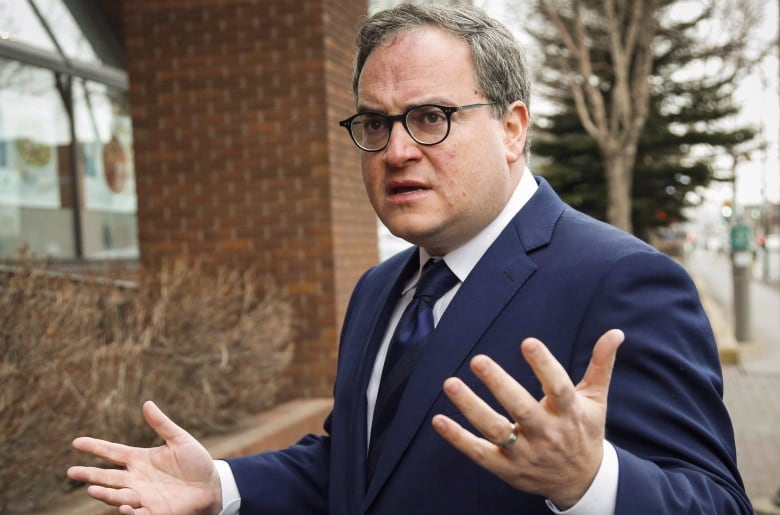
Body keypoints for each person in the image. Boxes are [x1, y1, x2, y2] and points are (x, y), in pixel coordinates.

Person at [67, 4, 752, 514]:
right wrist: (220, 483)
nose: (396, 151)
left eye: (430, 118)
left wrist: (590, 479)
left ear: (513, 129)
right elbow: (359, 466)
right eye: (375, 123)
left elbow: (715, 500)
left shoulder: (622, 280)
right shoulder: (377, 290)